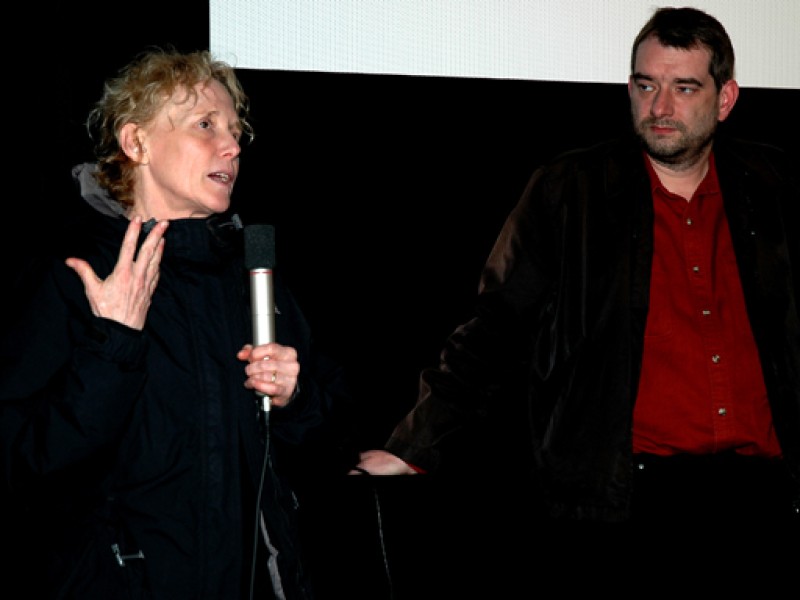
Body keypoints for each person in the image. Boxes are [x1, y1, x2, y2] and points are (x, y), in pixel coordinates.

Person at [353, 5, 800, 592]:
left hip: (761, 503)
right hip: (628, 504)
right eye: (646, 85)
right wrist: (415, 448)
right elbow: (494, 330)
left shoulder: (775, 189)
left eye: (684, 87)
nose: (660, 108)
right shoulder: (572, 191)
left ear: (725, 98)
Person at [0, 48, 356, 599]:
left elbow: (327, 450)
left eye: (236, 131)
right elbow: (25, 462)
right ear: (137, 142)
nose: (232, 146)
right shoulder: (74, 272)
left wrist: (296, 399)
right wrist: (112, 344)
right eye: (205, 125)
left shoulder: (255, 281)